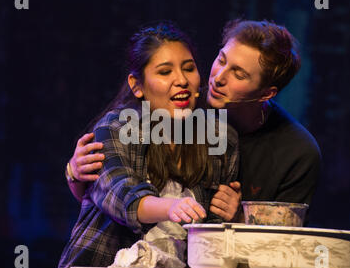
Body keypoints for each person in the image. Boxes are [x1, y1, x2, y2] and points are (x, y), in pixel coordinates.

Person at [66, 19, 322, 224]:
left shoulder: (295, 151)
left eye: (239, 74)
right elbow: (112, 199)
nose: (218, 78)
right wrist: (76, 175)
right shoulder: (179, 105)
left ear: (266, 93)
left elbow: (285, 240)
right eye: (221, 60)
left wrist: (240, 218)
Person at [57, 22, 239, 268]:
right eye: (165, 72)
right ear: (137, 85)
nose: (182, 80)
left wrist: (231, 215)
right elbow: (122, 198)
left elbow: (213, 237)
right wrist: (171, 207)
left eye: (189, 68)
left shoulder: (221, 137)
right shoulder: (117, 126)